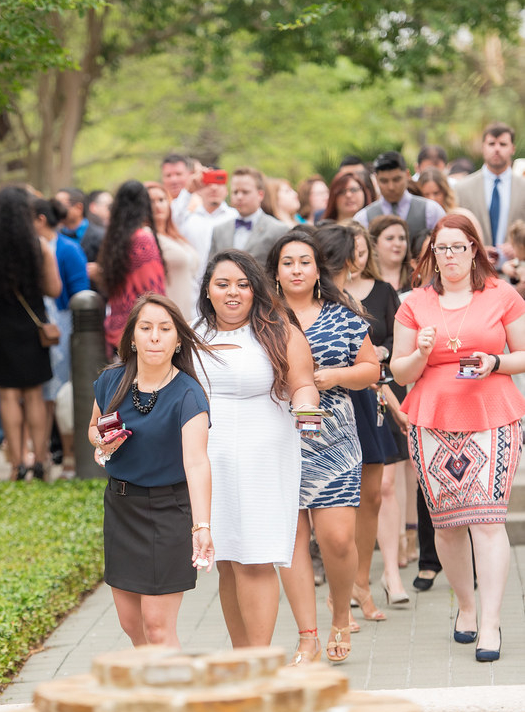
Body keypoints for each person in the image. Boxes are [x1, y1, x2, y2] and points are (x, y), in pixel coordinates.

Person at [391, 213, 525, 662]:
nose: (449, 255)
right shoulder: (413, 303)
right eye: (441, 247)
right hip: (432, 418)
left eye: (458, 246)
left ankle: (490, 622)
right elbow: (399, 370)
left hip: (492, 413)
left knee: (488, 521)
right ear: (432, 252)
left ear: (474, 249)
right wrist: (423, 352)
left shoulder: (500, 294)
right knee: (447, 525)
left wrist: (495, 361)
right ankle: (465, 607)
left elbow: (523, 353)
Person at [195, 249, 318, 651]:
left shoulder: (278, 330)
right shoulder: (193, 334)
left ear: (256, 289)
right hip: (211, 459)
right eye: (223, 284)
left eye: (243, 284)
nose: (233, 293)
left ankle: (261, 660)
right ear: (208, 290)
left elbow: (303, 382)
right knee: (228, 560)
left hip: (263, 457)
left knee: (256, 557)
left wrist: (306, 403)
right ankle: (241, 657)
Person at [266, 226, 379, 663]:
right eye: (287, 262)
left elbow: (371, 368)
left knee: (336, 539)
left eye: (304, 262)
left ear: (318, 270)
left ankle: (338, 613)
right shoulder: (263, 318)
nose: (296, 269)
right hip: (278, 439)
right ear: (275, 271)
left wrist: (336, 377)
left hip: (334, 439)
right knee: (291, 539)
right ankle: (307, 635)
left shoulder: (343, 314)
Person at [88, 293, 214, 647]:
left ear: (177, 340)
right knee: (132, 626)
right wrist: (101, 442)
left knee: (157, 627)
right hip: (121, 507)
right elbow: (93, 428)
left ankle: (177, 700)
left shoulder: (189, 395)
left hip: (168, 512)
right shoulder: (112, 381)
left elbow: (197, 462)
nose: (154, 336)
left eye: (164, 328)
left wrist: (202, 526)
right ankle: (153, 694)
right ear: (131, 336)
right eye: (145, 328)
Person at [0, 187, 61, 480]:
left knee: (8, 396)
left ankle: (17, 464)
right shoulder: (38, 247)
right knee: (34, 395)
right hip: (32, 328)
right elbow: (54, 289)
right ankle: (40, 460)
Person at [347, 222, 407, 613]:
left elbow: (397, 339)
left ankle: (391, 573)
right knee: (356, 493)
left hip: (382, 390)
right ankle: (355, 578)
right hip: (345, 396)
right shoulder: (328, 298)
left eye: (362, 250)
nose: (357, 259)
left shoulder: (385, 292)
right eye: (349, 252)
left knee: (384, 485)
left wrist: (382, 353)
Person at [32, 196, 90, 479]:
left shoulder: (68, 249)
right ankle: (41, 454)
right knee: (43, 393)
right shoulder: (31, 249)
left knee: (63, 391)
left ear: (40, 219)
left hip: (64, 326)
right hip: (39, 328)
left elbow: (81, 292)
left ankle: (69, 453)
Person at [98, 180, 166, 356]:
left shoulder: (114, 239)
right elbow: (154, 291)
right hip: (139, 330)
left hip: (117, 328)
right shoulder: (142, 239)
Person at [453, 123, 525, 262]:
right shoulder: (462, 188)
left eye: (503, 144)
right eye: (492, 144)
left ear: (512, 149)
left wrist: (519, 246)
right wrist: (475, 248)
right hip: (474, 270)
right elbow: (455, 229)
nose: (497, 149)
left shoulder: (523, 187)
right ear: (483, 148)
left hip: (516, 271)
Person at [355, 151, 444, 245]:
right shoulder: (363, 218)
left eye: (396, 179)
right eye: (384, 181)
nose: (391, 187)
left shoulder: (431, 210)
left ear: (407, 175)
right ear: (376, 179)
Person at [208, 167, 289, 264]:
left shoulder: (278, 230)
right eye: (235, 192)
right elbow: (211, 269)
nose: (239, 197)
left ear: (260, 195)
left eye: (245, 192)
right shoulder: (219, 230)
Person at [171, 165, 235, 285]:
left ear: (226, 190)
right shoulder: (188, 219)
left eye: (219, 183)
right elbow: (171, 219)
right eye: (208, 183)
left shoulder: (235, 218)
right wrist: (188, 191)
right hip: (193, 289)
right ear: (199, 190)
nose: (214, 188)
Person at [146, 182, 198, 320]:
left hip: (193, 313)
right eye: (150, 202)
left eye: (161, 200)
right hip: (168, 315)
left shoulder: (176, 236)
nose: (157, 206)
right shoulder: (146, 237)